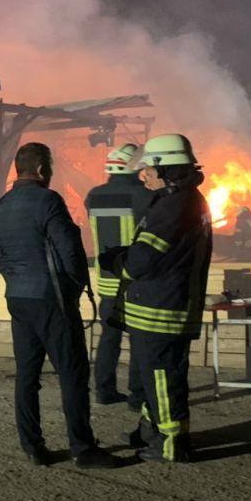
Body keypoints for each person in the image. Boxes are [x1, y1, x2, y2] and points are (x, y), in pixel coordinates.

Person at [0, 142, 116, 468]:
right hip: (51, 299)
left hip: (18, 299)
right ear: (41, 169)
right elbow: (70, 251)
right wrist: (74, 289)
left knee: (27, 375)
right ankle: (83, 448)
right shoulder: (48, 201)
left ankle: (33, 447)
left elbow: (2, 258)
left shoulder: (0, 207)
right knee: (72, 372)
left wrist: (18, 285)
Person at [99, 134, 212, 462]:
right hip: (162, 305)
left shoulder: (174, 206)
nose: (143, 174)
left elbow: (143, 261)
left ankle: (170, 442)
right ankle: (150, 429)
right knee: (155, 376)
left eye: (148, 168)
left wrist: (118, 260)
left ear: (167, 169)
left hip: (161, 309)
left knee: (162, 376)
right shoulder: (179, 200)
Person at [83, 142, 158, 405]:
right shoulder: (145, 196)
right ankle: (138, 396)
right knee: (139, 339)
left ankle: (104, 391)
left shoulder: (93, 196)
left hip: (107, 282)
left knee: (109, 337)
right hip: (136, 282)